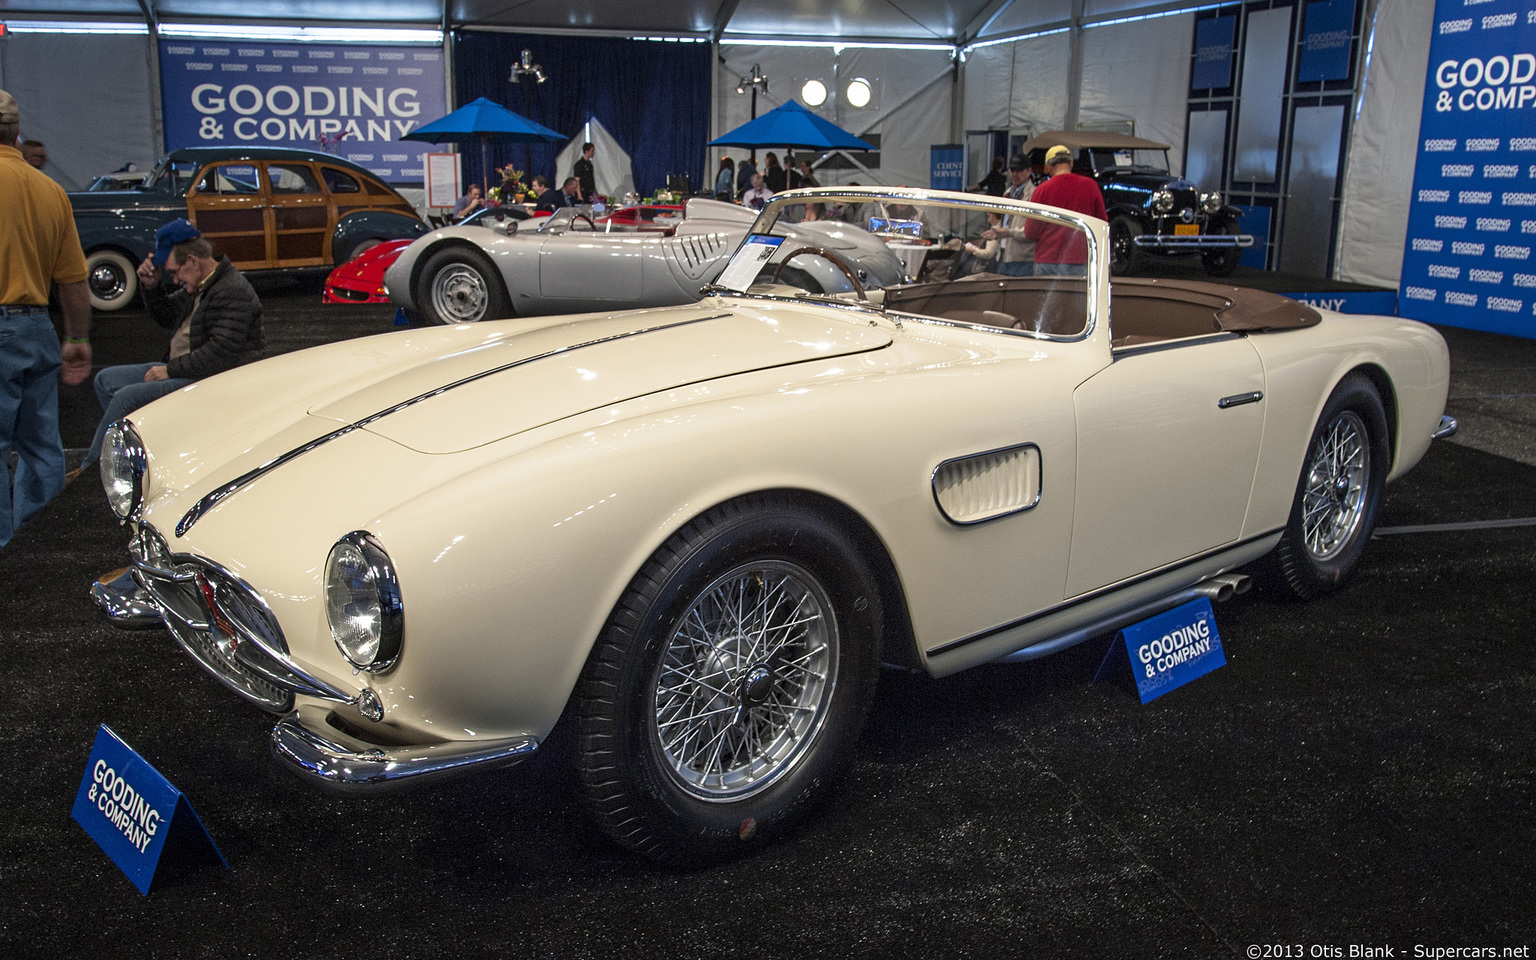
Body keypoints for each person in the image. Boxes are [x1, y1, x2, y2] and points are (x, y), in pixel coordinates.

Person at [79, 219, 264, 472]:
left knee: (125, 397)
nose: (175, 279)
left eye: (175, 272)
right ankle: (130, 459)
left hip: (211, 380)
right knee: (106, 381)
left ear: (192, 261)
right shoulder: (201, 284)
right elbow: (167, 316)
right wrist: (151, 287)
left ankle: (92, 471)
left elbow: (221, 355)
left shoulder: (231, 290)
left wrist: (169, 370)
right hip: (186, 369)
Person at [0, 90, 91, 551]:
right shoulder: (49, 190)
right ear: (16, 134)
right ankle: (38, 550)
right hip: (36, 326)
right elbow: (73, 281)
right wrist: (77, 336)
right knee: (41, 447)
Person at [1023, 144, 1106, 276]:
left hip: (1047, 260)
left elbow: (1030, 231)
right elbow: (1102, 224)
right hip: (1080, 260)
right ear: (1071, 163)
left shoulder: (1041, 190)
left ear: (1048, 167)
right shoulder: (1090, 186)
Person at [981, 156, 1037, 277]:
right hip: (1003, 256)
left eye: (1019, 170)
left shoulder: (1034, 195)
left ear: (1029, 171)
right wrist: (996, 232)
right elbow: (1005, 222)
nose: (1015, 174)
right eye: (1012, 170)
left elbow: (1033, 230)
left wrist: (1009, 232)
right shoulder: (1007, 193)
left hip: (1023, 260)